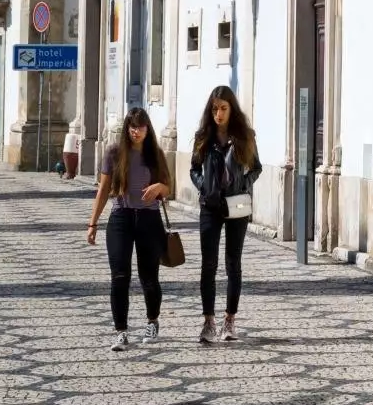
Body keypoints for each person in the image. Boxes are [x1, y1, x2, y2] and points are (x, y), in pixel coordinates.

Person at [85, 106, 171, 352]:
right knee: (119, 277)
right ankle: (121, 331)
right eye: (133, 127)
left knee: (149, 277)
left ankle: (152, 322)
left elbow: (168, 188)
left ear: (147, 128)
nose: (137, 132)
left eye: (141, 127)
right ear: (127, 129)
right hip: (121, 218)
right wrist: (93, 224)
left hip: (149, 219)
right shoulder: (114, 153)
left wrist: (158, 188)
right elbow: (103, 191)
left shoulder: (155, 154)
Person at [189, 85, 261, 345]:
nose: (218, 114)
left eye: (223, 108)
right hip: (210, 206)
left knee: (234, 263)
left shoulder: (244, 136)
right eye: (215, 109)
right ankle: (208, 321)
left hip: (237, 205)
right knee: (208, 264)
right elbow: (194, 169)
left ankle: (229, 319)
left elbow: (256, 168)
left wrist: (243, 185)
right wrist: (204, 187)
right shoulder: (203, 137)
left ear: (232, 110)